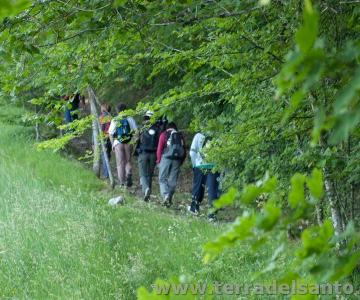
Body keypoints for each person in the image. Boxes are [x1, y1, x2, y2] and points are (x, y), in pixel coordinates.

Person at [188, 132, 220, 221]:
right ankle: (212, 214)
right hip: (214, 166)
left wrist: (194, 164)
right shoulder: (219, 135)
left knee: (198, 187)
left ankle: (194, 208)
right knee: (212, 190)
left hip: (200, 165)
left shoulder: (198, 135)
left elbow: (192, 152)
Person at [156, 121, 186, 207]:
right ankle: (169, 197)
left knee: (162, 178)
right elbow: (184, 150)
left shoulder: (164, 134)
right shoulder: (180, 136)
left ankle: (165, 195)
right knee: (172, 180)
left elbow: (159, 149)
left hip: (166, 158)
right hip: (177, 160)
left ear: (167, 127)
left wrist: (158, 160)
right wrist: (181, 161)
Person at [109, 103, 137, 187]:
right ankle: (129, 174)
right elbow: (136, 132)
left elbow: (110, 133)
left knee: (120, 163)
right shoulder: (130, 119)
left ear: (117, 110)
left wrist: (112, 144)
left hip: (118, 142)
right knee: (128, 161)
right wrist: (134, 142)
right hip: (128, 142)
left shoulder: (115, 119)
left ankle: (122, 183)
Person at [134, 111, 160, 201]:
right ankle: (148, 194)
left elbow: (136, 140)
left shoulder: (141, 128)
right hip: (153, 154)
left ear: (145, 118)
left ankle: (146, 189)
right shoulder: (157, 129)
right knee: (150, 174)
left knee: (143, 174)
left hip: (143, 153)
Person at [99, 104, 112, 178]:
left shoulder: (101, 117)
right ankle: (107, 171)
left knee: (104, 155)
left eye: (102, 107)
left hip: (104, 138)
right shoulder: (111, 117)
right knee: (108, 154)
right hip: (110, 138)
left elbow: (100, 129)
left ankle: (106, 174)